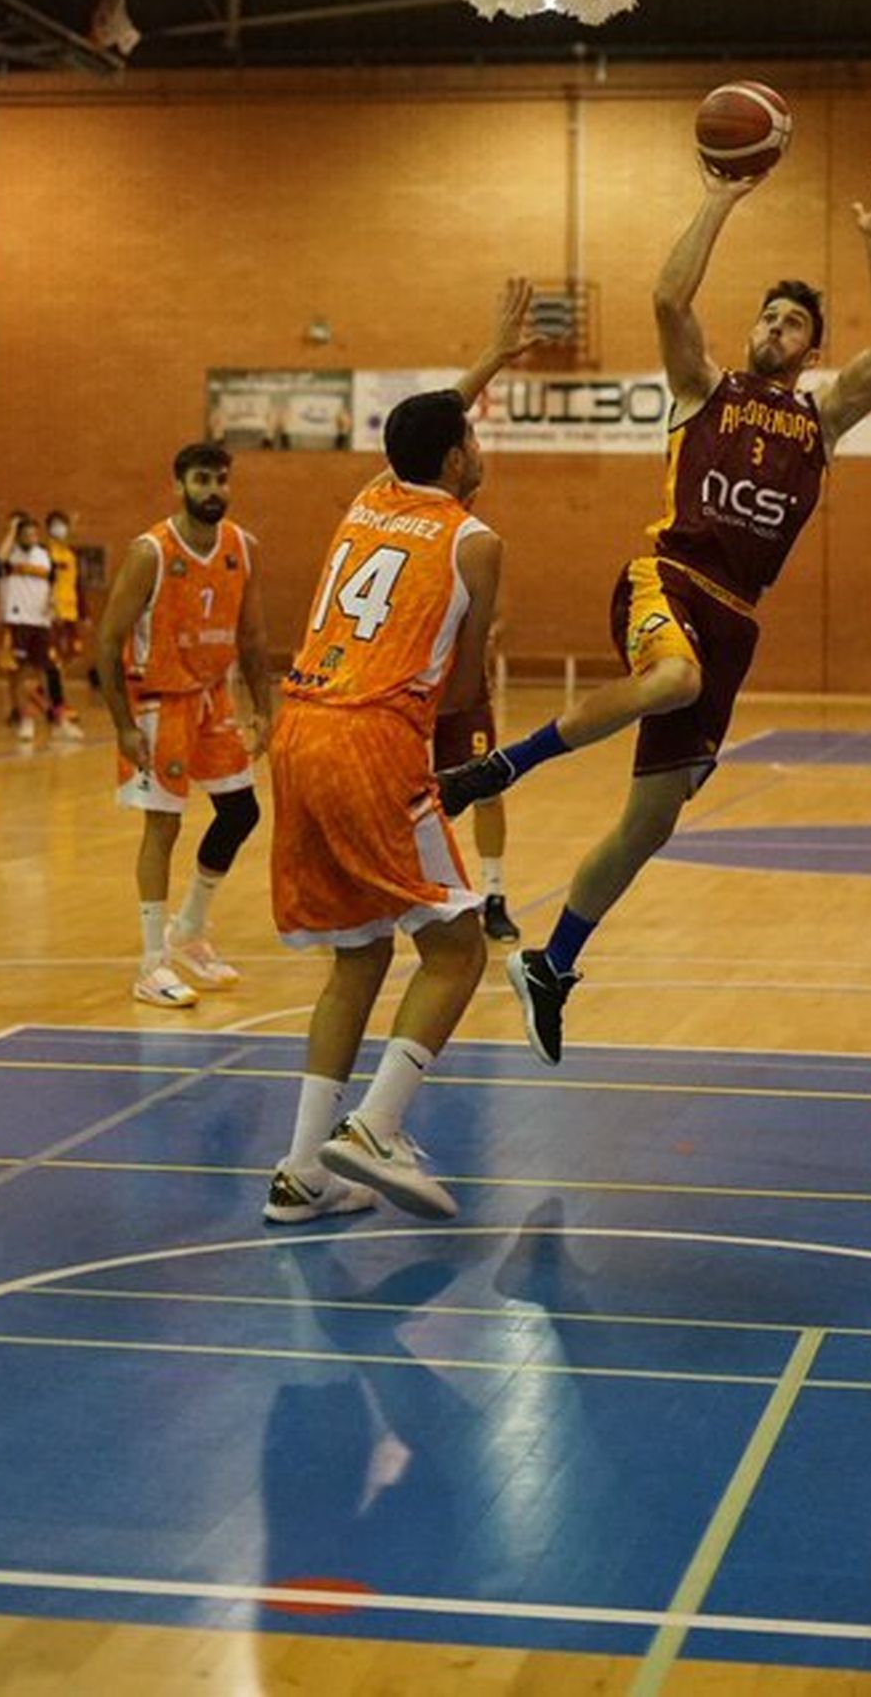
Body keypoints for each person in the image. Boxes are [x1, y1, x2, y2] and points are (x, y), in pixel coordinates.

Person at [440, 161, 871, 1067]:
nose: (777, 328)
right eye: (769, 316)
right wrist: (721, 199)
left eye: (795, 322)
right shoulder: (706, 388)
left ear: (813, 349)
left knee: (651, 823)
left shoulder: (823, 420)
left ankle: (552, 966)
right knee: (673, 677)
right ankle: (505, 765)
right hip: (668, 578)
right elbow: (665, 298)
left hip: (738, 618)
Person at [264, 282, 536, 1226]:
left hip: (295, 732)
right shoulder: (475, 540)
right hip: (374, 742)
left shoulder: (366, 497)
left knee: (358, 956)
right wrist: (478, 652)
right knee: (458, 952)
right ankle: (377, 1125)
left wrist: (491, 359)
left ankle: (302, 1172)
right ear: (460, 455)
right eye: (473, 436)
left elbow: (421, 431)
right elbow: (460, 697)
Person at [96, 443, 274, 1007]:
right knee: (163, 829)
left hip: (212, 700)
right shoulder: (150, 551)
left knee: (241, 810)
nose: (214, 490)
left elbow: (252, 637)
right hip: (157, 702)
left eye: (222, 479)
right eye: (202, 480)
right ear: (178, 485)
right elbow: (106, 640)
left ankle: (190, 928)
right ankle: (151, 964)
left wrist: (263, 708)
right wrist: (123, 725)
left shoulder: (242, 547)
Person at [433, 620, 518, 941]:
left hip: (464, 696)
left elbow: (495, 616)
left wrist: (488, 632)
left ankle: (494, 895)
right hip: (410, 691)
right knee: (413, 801)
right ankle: (364, 892)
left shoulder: (474, 571)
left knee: (486, 791)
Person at [0, 513, 61, 743]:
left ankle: (52, 717)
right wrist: (12, 529)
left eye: (34, 533)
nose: (31, 537)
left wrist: (52, 602)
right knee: (18, 672)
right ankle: (24, 719)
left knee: (42, 671)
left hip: (40, 621)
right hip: (17, 619)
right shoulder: (10, 555)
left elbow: (53, 582)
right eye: (26, 533)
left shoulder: (44, 556)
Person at [42, 508, 88, 728]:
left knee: (72, 654)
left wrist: (84, 612)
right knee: (55, 659)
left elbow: (78, 585)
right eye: (55, 524)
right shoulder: (44, 552)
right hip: (53, 613)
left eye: (63, 524)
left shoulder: (70, 554)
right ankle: (59, 703)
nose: (60, 529)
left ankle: (45, 691)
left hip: (70, 613)